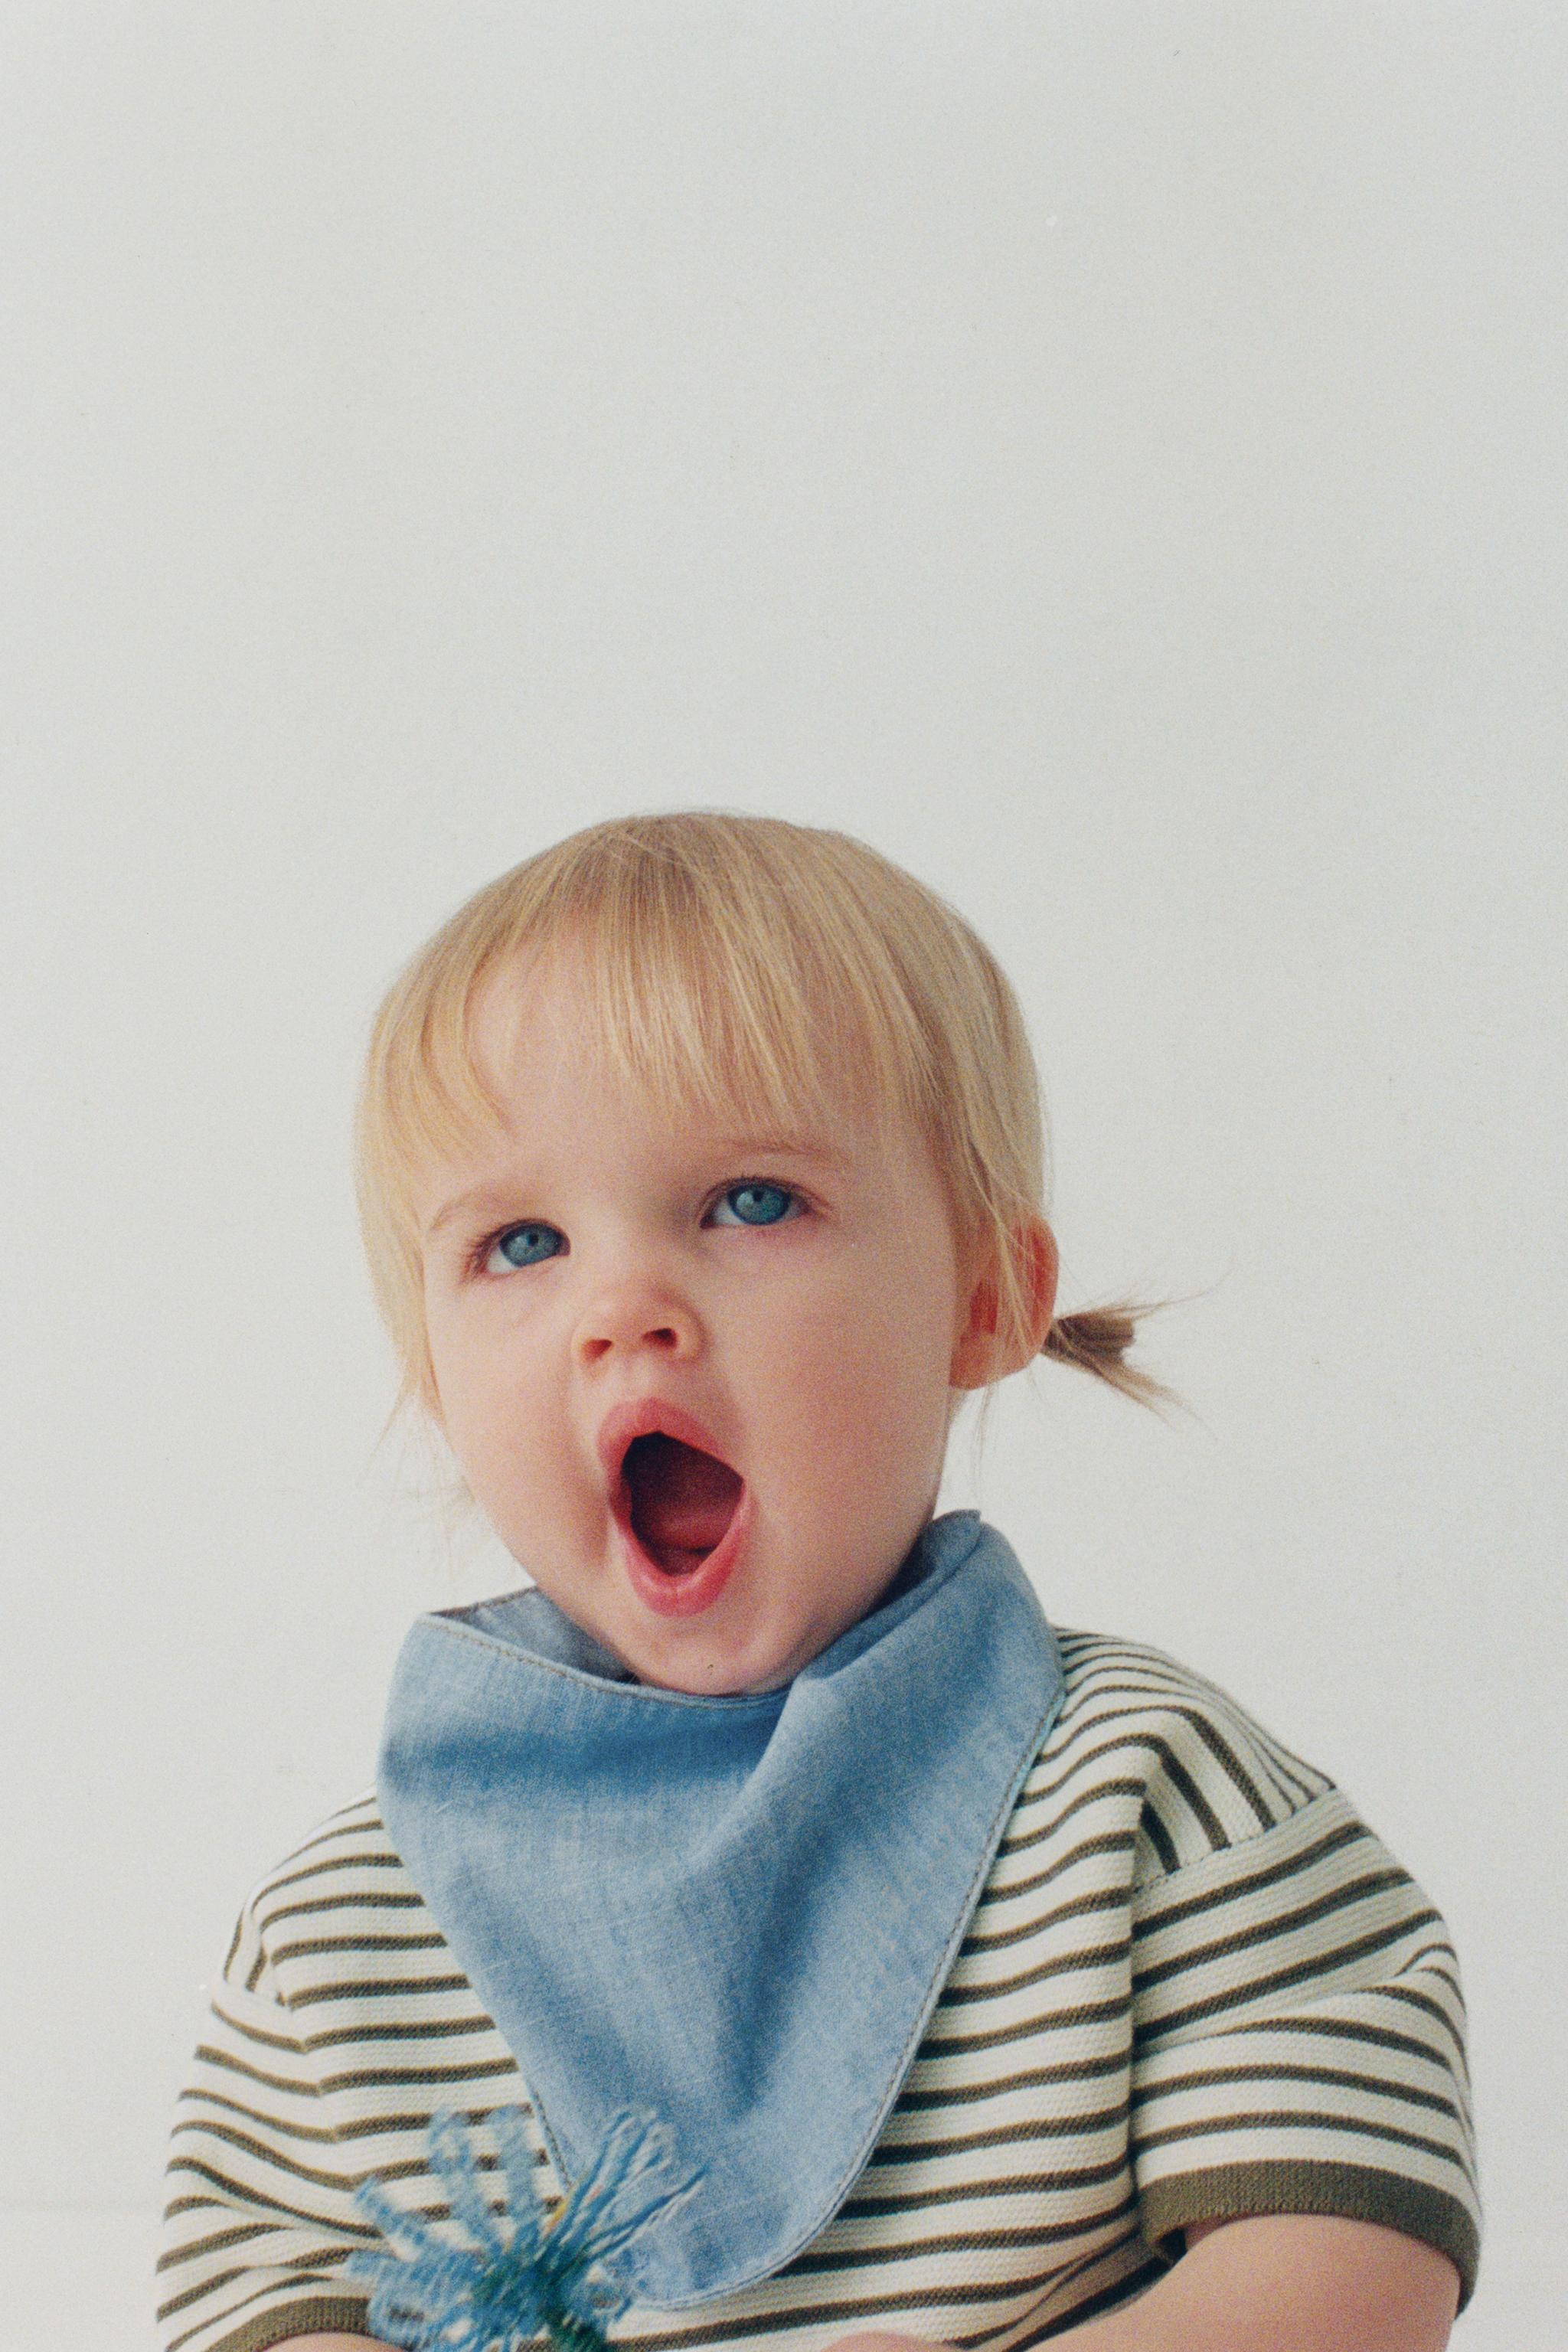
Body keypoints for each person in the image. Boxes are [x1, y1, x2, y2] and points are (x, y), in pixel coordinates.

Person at [157, 813, 1478, 2352]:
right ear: (434, 1379)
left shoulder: (1149, 1799)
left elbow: (1354, 2260)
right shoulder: (347, 1936)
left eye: (750, 1202)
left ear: (983, 1299)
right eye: (522, 1243)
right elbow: (262, 2307)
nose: (622, 1309)